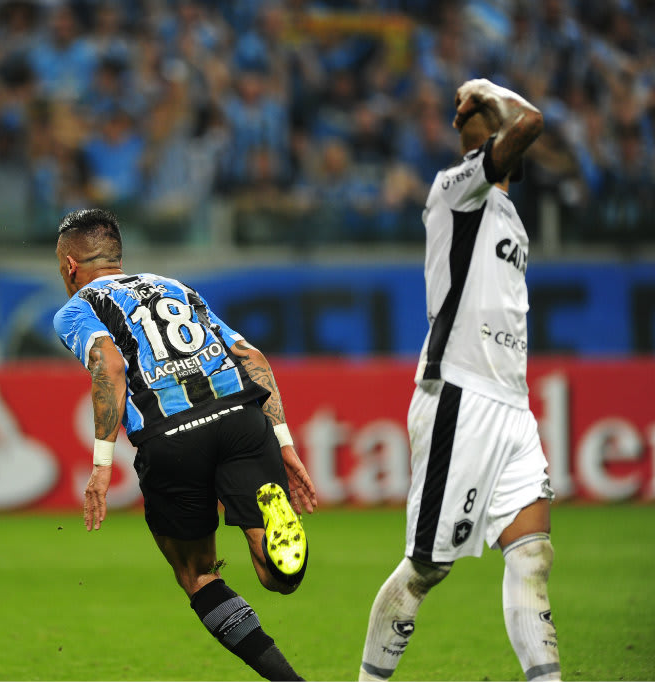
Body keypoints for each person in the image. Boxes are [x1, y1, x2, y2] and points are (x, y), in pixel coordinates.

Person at [53, 208, 317, 681]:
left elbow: (109, 367)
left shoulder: (77, 308)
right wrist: (284, 442)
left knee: (197, 574)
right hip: (241, 417)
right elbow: (251, 356)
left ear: (70, 266)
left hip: (172, 438)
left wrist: (100, 465)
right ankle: (274, 525)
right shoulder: (174, 286)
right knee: (277, 578)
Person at [358, 78, 561, 682]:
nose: (470, 116)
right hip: (461, 396)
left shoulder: (508, 213)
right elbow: (530, 124)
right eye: (469, 115)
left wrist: (486, 101)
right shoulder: (454, 191)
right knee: (426, 569)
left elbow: (520, 135)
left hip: (512, 405)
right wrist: (488, 92)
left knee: (533, 555)